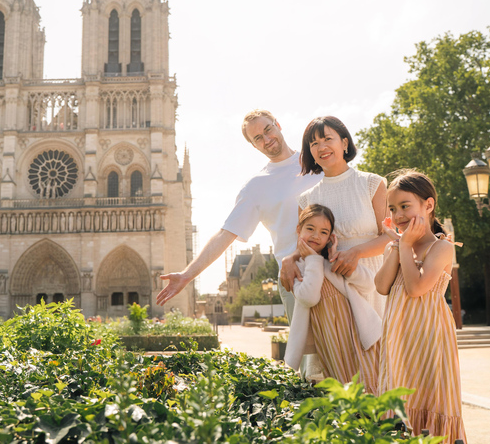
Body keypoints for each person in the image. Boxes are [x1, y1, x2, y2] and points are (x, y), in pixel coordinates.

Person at [156, 110, 320, 320]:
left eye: (268, 130)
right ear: (253, 145)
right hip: (297, 277)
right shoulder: (256, 186)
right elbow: (225, 234)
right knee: (308, 352)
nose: (267, 139)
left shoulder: (318, 160)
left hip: (339, 267)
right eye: (258, 138)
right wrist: (187, 275)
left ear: (278, 124)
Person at [281, 116, 389, 390]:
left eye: (327, 138)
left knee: (381, 368)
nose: (321, 147)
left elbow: (390, 237)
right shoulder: (306, 199)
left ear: (344, 142)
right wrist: (288, 259)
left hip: (373, 280)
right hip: (332, 293)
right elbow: (304, 246)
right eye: (314, 143)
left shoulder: (372, 183)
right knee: (340, 373)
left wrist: (356, 253)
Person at [375, 170, 467, 442]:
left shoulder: (441, 248)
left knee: (428, 396)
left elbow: (416, 288)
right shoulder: (395, 247)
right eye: (393, 208)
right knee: (396, 395)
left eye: (405, 206)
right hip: (397, 338)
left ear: (428, 205)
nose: (399, 214)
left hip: (429, 337)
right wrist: (398, 247)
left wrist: (405, 245)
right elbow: (381, 286)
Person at [284, 204, 382, 392]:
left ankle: (379, 419)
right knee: (342, 383)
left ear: (330, 237)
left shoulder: (333, 260)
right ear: (299, 229)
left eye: (323, 232)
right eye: (310, 229)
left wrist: (339, 260)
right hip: (328, 334)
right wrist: (312, 259)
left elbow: (369, 285)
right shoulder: (297, 266)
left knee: (369, 379)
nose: (315, 236)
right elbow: (309, 298)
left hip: (354, 329)